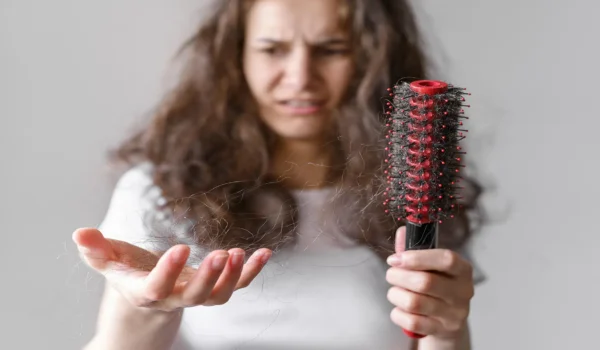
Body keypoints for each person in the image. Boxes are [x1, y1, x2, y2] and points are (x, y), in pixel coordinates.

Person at [73, 0, 483, 349]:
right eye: (272, 49)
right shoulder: (158, 193)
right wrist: (142, 307)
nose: (301, 77)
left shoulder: (418, 194)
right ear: (236, 57)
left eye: (331, 49)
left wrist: (447, 329)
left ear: (372, 56)